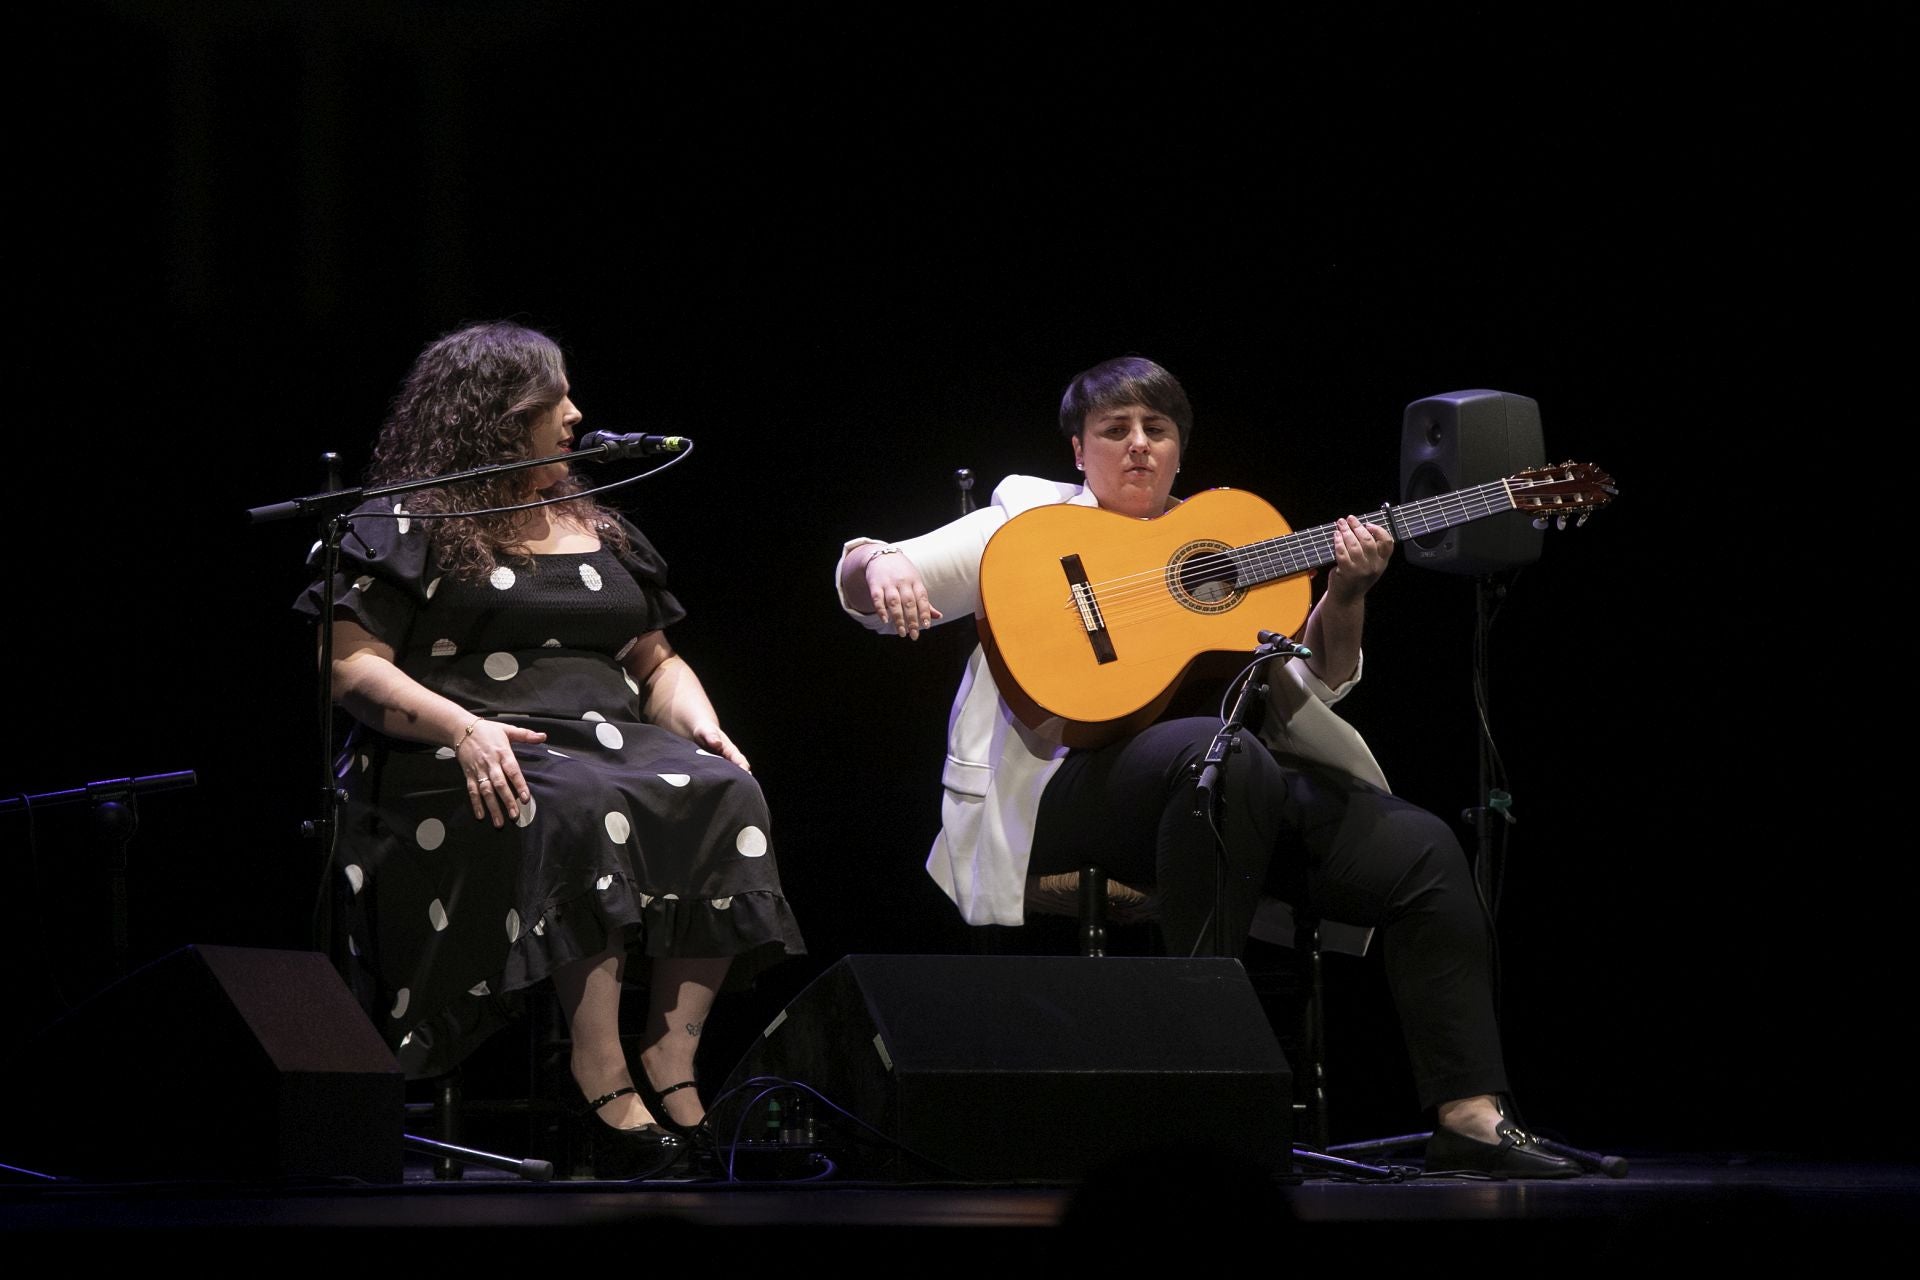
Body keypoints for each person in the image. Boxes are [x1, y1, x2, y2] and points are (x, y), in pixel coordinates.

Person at [832, 354, 1577, 1178]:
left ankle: (1470, 1115)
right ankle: (1203, 1088)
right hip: (1060, 791)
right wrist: (883, 566)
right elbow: (869, 572)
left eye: (1159, 429)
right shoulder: (1028, 517)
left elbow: (1318, 682)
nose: (1140, 444)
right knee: (1219, 759)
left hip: (1227, 789)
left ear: (1182, 450)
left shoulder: (1229, 538)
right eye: (1116, 429)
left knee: (1423, 849)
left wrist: (1349, 594)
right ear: (1079, 450)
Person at [296, 320, 805, 1177]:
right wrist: (463, 726)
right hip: (460, 754)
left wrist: (701, 721)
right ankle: (598, 1069)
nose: (575, 413)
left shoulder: (596, 526)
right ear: (493, 415)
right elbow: (347, 666)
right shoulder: (405, 520)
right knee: (581, 806)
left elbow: (656, 658)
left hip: (610, 741)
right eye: (552, 399)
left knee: (727, 791)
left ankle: (670, 1065)